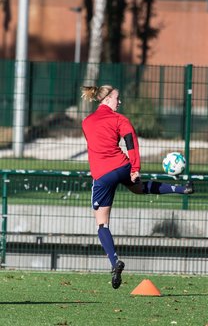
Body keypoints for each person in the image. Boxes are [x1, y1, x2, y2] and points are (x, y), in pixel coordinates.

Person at [81, 85, 194, 290]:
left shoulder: (86, 122)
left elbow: (97, 145)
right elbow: (131, 143)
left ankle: (115, 262)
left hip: (102, 175)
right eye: (117, 98)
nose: (119, 102)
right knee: (138, 188)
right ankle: (181, 189)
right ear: (106, 99)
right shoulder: (120, 119)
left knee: (102, 224)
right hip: (122, 166)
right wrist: (135, 168)